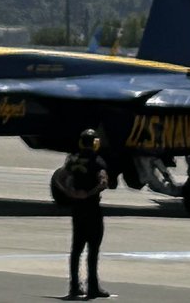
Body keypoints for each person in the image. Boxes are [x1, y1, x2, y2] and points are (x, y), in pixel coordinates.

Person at [60, 128, 110, 300]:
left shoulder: (72, 160)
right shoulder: (98, 162)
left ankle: (74, 287)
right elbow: (103, 182)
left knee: (76, 250)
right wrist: (89, 194)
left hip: (77, 210)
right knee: (93, 250)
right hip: (92, 208)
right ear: (95, 143)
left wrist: (71, 192)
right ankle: (93, 288)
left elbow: (60, 178)